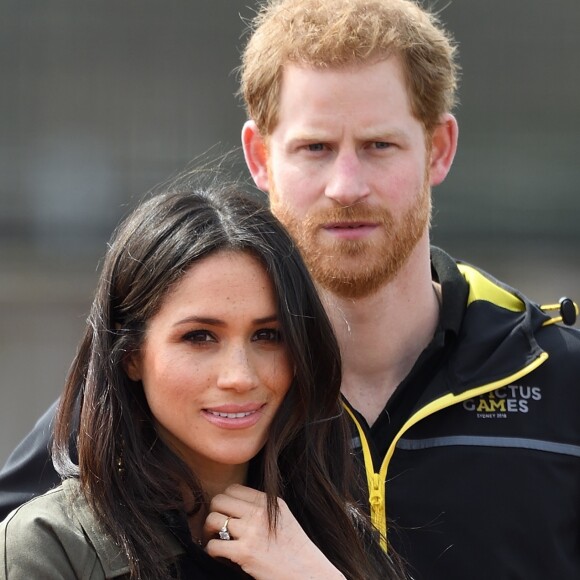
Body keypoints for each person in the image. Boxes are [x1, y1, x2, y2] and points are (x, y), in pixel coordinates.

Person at [1, 0, 580, 578]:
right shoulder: (151, 405)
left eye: (379, 145)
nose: (346, 186)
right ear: (259, 156)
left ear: (440, 148)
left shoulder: (561, 380)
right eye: (315, 148)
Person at [0, 181, 404, 579]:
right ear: (131, 355)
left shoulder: (336, 542)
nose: (240, 377)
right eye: (199, 337)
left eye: (268, 336)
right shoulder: (52, 548)